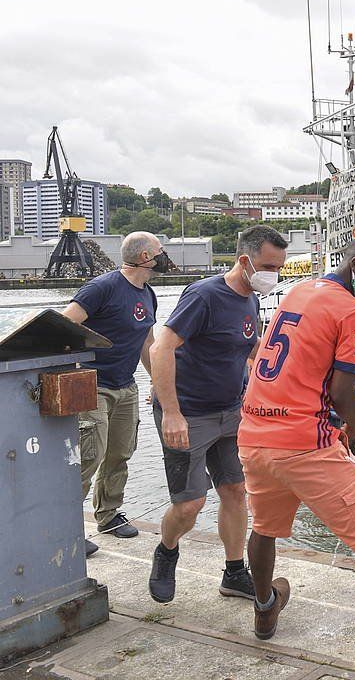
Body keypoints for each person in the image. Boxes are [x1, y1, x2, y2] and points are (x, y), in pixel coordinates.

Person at [237, 234, 355, 679]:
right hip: (305, 443)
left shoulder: (299, 293)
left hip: (255, 434)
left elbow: (301, 365)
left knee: (264, 527)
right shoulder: (352, 310)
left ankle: (265, 609)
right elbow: (340, 388)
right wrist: (354, 429)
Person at [147, 225, 288, 604]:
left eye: (279, 267)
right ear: (244, 260)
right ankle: (167, 549)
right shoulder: (205, 296)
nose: (273, 275)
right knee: (190, 504)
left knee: (235, 490)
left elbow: (246, 344)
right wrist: (171, 413)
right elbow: (163, 347)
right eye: (268, 266)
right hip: (189, 413)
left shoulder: (250, 299)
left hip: (230, 412)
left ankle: (234, 572)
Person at [62, 232, 166, 556]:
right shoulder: (102, 288)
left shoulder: (148, 294)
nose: (164, 256)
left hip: (126, 386)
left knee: (120, 453)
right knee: (89, 457)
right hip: (93, 385)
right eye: (160, 251)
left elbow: (147, 342)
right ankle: (65, 530)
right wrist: (74, 371)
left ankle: (107, 515)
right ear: (145, 256)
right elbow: (65, 325)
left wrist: (158, 381)